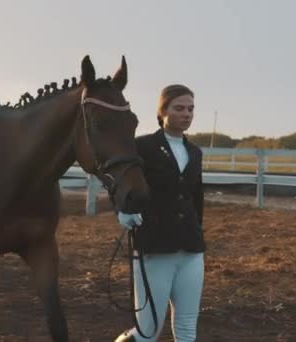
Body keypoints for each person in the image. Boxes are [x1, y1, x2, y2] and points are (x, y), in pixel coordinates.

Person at [115, 84, 205, 342]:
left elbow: (195, 197)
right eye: (179, 108)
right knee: (149, 329)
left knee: (187, 326)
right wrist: (122, 208)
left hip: (190, 249)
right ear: (162, 111)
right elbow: (120, 182)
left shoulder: (195, 152)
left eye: (190, 109)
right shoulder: (141, 147)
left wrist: (197, 232)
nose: (186, 114)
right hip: (154, 246)